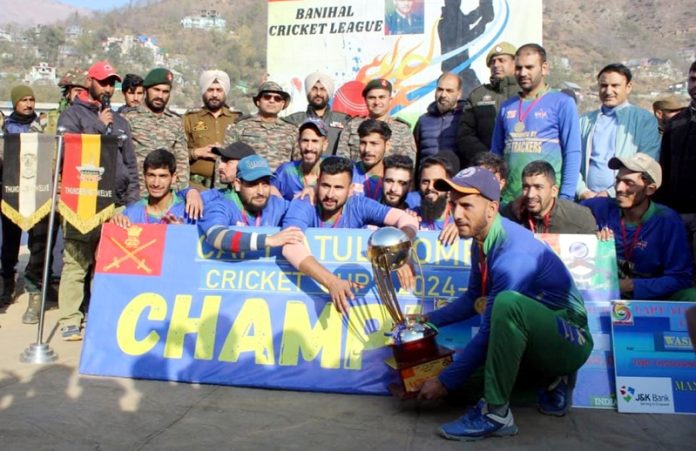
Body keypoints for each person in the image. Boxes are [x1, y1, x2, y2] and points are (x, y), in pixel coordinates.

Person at [417, 166, 592, 441]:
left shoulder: (514, 254)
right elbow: (472, 300)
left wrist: (444, 381)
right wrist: (426, 322)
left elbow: (490, 330)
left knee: (507, 305)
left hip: (570, 340)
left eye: (466, 205)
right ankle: (543, 382)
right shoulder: (481, 240)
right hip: (529, 342)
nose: (456, 214)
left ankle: (497, 414)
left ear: (491, 208)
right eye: (453, 205)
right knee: (454, 390)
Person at [56, 60, 140, 341]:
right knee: (76, 263)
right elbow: (66, 156)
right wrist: (97, 130)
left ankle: (100, 313)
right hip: (82, 201)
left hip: (115, 204)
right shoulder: (71, 116)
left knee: (109, 264)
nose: (109, 87)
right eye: (103, 81)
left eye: (112, 83)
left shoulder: (121, 121)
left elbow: (130, 165)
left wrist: (132, 202)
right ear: (89, 81)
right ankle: (70, 318)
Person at [281, 156, 419, 313]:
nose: (330, 194)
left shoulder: (358, 204)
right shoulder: (304, 203)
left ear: (351, 189)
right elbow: (290, 246)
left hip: (351, 300)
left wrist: (400, 249)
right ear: (317, 183)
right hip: (303, 300)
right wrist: (332, 282)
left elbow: (406, 219)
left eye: (339, 188)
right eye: (326, 185)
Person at [583, 154, 694, 300]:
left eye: (629, 183)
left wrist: (630, 285)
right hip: (602, 296)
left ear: (650, 189)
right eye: (618, 181)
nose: (619, 188)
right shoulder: (601, 207)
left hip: (651, 301)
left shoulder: (668, 221)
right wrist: (588, 236)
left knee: (691, 296)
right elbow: (562, 211)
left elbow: (680, 278)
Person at [491, 43, 581, 205]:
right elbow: (495, 155)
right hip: (510, 201)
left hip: (547, 202)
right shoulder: (506, 106)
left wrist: (566, 198)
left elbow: (572, 152)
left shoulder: (562, 102)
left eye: (529, 67)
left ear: (544, 68)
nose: (523, 73)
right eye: (518, 68)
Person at [577, 64, 661, 200]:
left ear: (628, 87)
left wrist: (610, 192)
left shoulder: (644, 120)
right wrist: (582, 191)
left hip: (627, 200)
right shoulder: (584, 121)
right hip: (588, 201)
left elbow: (647, 161)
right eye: (603, 86)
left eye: (615, 85)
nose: (608, 91)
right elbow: (572, 159)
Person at [0, 85, 42, 312]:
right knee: (10, 241)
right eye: (23, 100)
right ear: (14, 103)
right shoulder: (5, 127)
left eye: (31, 99)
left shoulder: (43, 125)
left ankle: (34, 285)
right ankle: (7, 281)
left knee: (37, 242)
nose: (28, 104)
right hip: (10, 192)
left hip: (37, 193)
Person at [122, 67, 189, 195]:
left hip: (165, 196)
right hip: (135, 194)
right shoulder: (128, 117)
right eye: (156, 90)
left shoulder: (175, 121)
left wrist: (181, 194)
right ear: (146, 90)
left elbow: (182, 162)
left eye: (165, 92)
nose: (160, 96)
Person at [658, 61, 696, 278]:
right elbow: (665, 169)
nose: (695, 85)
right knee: (677, 275)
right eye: (692, 79)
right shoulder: (675, 124)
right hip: (676, 217)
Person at [457, 42, 518, 167]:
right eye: (493, 62)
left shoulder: (525, 93)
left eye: (501, 60)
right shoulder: (477, 95)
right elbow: (465, 134)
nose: (496, 65)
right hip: (487, 167)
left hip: (520, 164)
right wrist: (487, 158)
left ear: (515, 63)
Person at [501, 161, 597, 234]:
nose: (530, 194)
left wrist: (602, 238)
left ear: (554, 191)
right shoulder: (510, 214)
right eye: (526, 187)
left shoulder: (579, 218)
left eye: (538, 187)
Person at [183, 70, 241, 189]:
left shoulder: (237, 119)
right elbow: (175, 154)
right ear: (204, 92)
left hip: (229, 188)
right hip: (197, 188)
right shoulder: (190, 118)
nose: (214, 95)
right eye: (210, 90)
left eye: (219, 90)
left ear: (225, 92)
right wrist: (197, 152)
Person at [336, 78, 416, 162]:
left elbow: (409, 165)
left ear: (390, 100)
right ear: (365, 100)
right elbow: (341, 161)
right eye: (372, 97)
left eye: (381, 97)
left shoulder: (403, 130)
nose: (377, 102)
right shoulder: (352, 126)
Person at [111, 149, 196, 227]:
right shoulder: (130, 214)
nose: (156, 183)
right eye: (151, 175)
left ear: (173, 178)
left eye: (162, 176)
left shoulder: (189, 210)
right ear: (144, 176)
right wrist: (116, 224)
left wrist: (183, 234)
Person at [226, 81, 297, 171]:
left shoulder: (292, 130)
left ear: (282, 104)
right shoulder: (241, 127)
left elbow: (298, 164)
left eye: (277, 99)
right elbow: (226, 159)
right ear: (258, 101)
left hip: (280, 183)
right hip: (249, 182)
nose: (272, 100)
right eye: (267, 97)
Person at [286, 72, 350, 155]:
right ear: (308, 92)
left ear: (329, 93)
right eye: (314, 89)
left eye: (323, 89)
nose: (318, 93)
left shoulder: (344, 120)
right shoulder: (294, 120)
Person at [414, 72, 465, 168]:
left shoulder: (466, 118)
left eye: (449, 91)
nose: (443, 95)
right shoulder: (423, 121)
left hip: (456, 180)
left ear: (459, 94)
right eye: (440, 89)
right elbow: (415, 157)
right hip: (427, 180)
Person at [272, 118, 328, 201]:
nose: (309, 147)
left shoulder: (333, 172)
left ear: (324, 145)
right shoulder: (286, 171)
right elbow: (267, 190)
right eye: (305, 141)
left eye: (315, 141)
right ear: (298, 143)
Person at [352, 118, 391, 200]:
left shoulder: (394, 178)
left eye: (374, 144)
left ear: (387, 146)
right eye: (363, 143)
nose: (367, 149)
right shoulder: (348, 172)